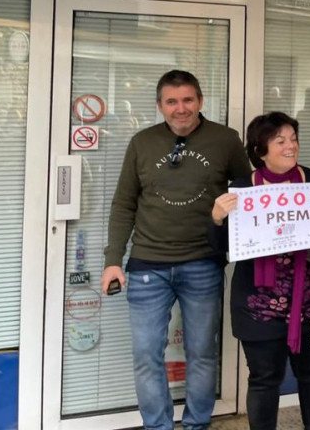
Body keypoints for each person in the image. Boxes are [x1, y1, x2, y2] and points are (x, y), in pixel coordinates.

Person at [101, 69, 252, 430]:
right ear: (160, 106)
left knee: (201, 354)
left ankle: (197, 425)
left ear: (200, 101)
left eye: (187, 100)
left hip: (203, 263)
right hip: (146, 266)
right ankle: (158, 427)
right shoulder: (142, 142)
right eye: (172, 101)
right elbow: (124, 204)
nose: (180, 108)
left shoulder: (225, 140)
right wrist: (112, 261)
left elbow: (245, 196)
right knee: (145, 355)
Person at [209, 112, 310, 430]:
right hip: (258, 303)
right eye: (281, 140)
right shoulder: (241, 189)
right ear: (260, 150)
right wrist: (217, 217)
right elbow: (221, 246)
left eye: (294, 138)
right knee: (263, 378)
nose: (291, 146)